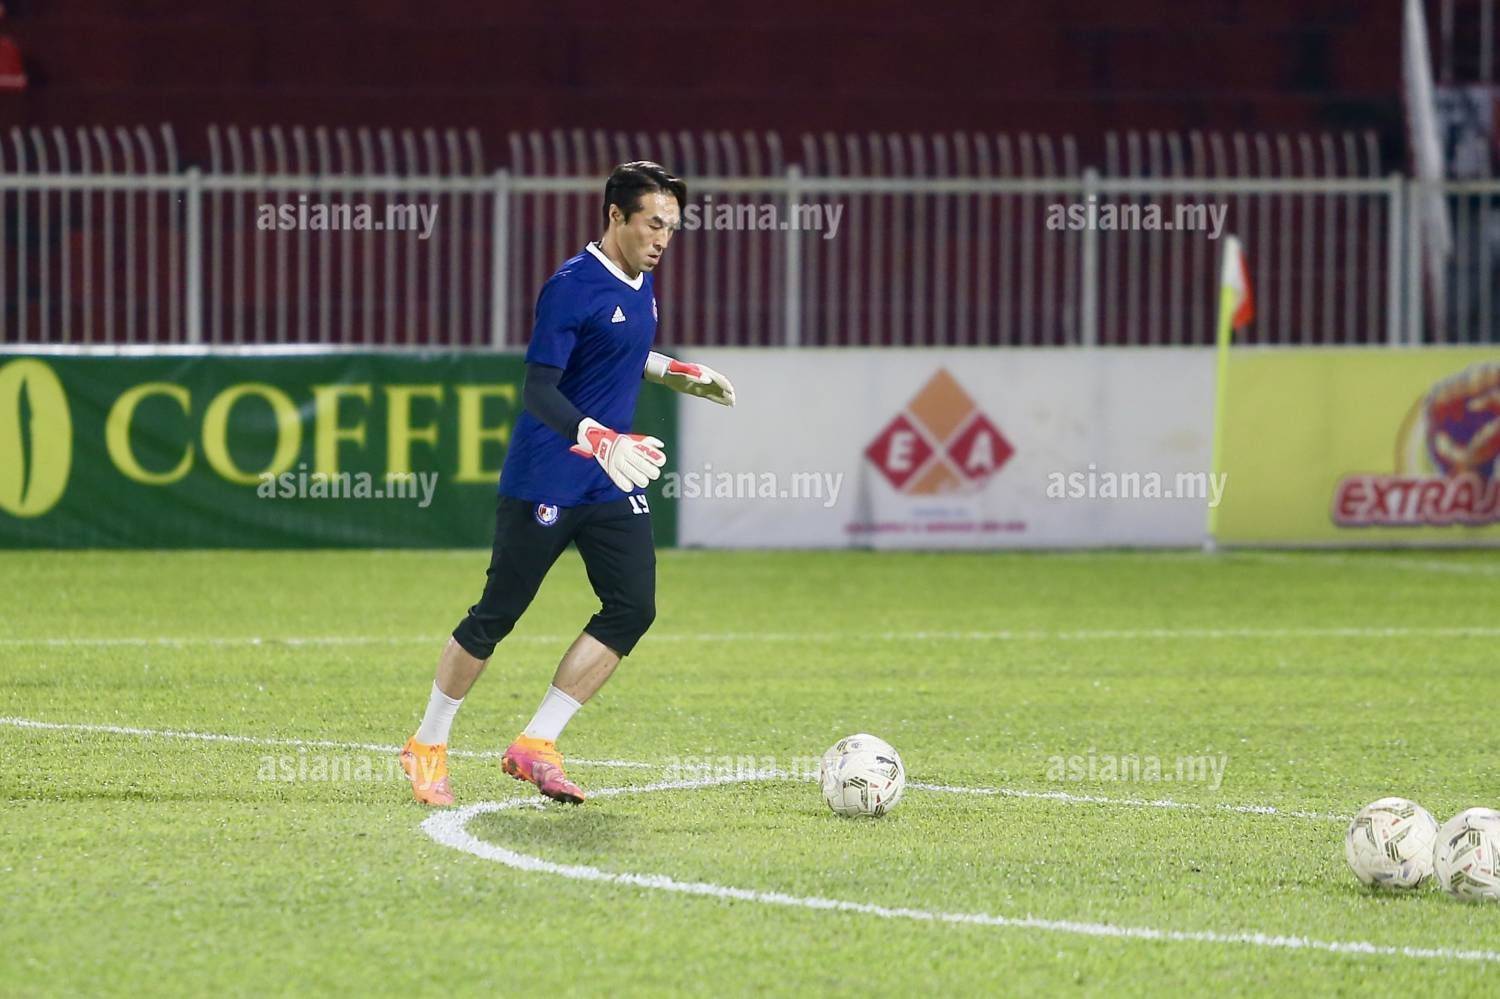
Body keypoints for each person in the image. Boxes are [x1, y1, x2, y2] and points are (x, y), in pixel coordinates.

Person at [399, 161, 735, 805]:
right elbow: (540, 387)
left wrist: (673, 370)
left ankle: (537, 742)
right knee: (498, 614)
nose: (663, 239)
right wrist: (597, 436)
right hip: (547, 476)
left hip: (611, 479)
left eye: (671, 227)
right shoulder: (570, 286)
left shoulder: (642, 281)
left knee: (632, 607)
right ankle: (428, 744)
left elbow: (614, 350)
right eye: (652, 224)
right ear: (615, 216)